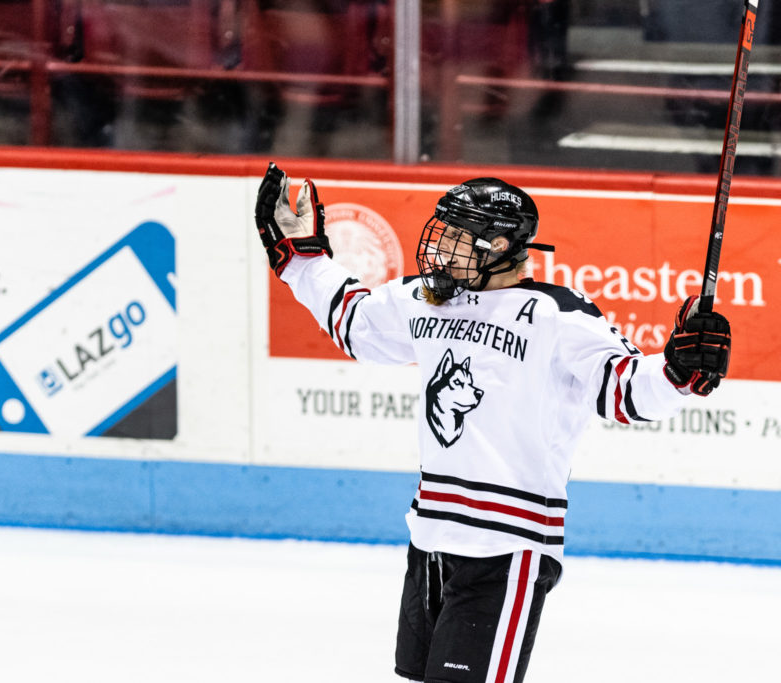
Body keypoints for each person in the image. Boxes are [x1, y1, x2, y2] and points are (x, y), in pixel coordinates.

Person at [254, 162, 731, 683]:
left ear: (500, 245)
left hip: (505, 551)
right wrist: (302, 261)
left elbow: (628, 391)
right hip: (431, 539)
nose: (440, 246)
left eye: (458, 236)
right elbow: (356, 322)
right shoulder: (428, 300)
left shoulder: (558, 315)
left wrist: (680, 371)